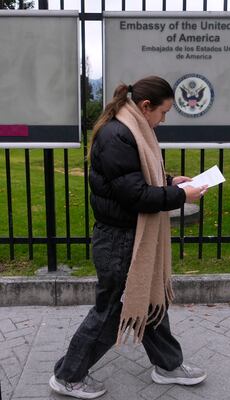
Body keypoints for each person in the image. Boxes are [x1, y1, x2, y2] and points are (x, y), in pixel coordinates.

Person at [49, 76, 208, 399]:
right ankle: (68, 375)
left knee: (150, 301)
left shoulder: (128, 128)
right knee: (113, 308)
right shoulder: (118, 134)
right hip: (120, 240)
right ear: (146, 106)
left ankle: (168, 364)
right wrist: (180, 195)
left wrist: (169, 180)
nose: (162, 121)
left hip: (129, 236)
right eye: (162, 113)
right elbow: (135, 195)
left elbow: (132, 177)